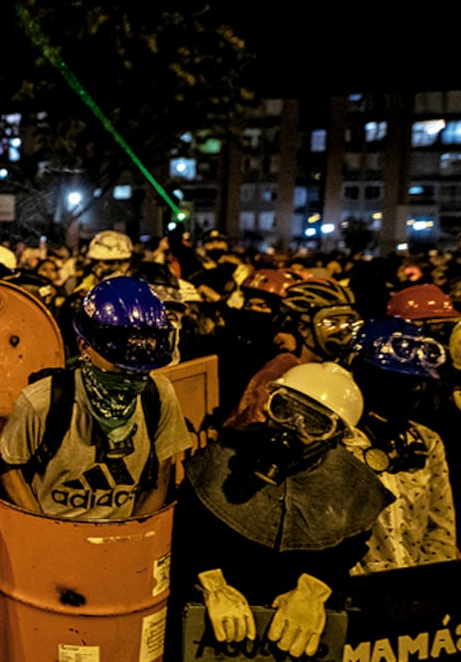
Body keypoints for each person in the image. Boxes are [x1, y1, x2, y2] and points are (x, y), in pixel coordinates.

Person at [171, 362, 392, 658]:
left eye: (314, 423)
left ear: (337, 435)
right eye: (284, 409)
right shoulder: (220, 458)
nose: (292, 426)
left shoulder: (351, 483)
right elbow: (186, 527)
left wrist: (314, 589)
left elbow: (350, 542)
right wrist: (211, 583)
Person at [0, 276, 190, 519]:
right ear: (84, 346)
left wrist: (134, 533)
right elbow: (8, 464)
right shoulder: (42, 401)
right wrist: (43, 529)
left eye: (140, 366)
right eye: (118, 364)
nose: (130, 376)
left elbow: (162, 471)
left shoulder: (159, 395)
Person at [342, 318, 457, 573]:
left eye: (410, 384)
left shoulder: (426, 442)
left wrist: (428, 591)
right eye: (388, 382)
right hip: (350, 593)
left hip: (412, 593)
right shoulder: (333, 442)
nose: (401, 394)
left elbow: (441, 530)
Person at [223, 279, 361, 431]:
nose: (343, 330)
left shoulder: (346, 368)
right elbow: (247, 423)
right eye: (331, 323)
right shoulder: (281, 371)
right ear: (303, 329)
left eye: (349, 322)